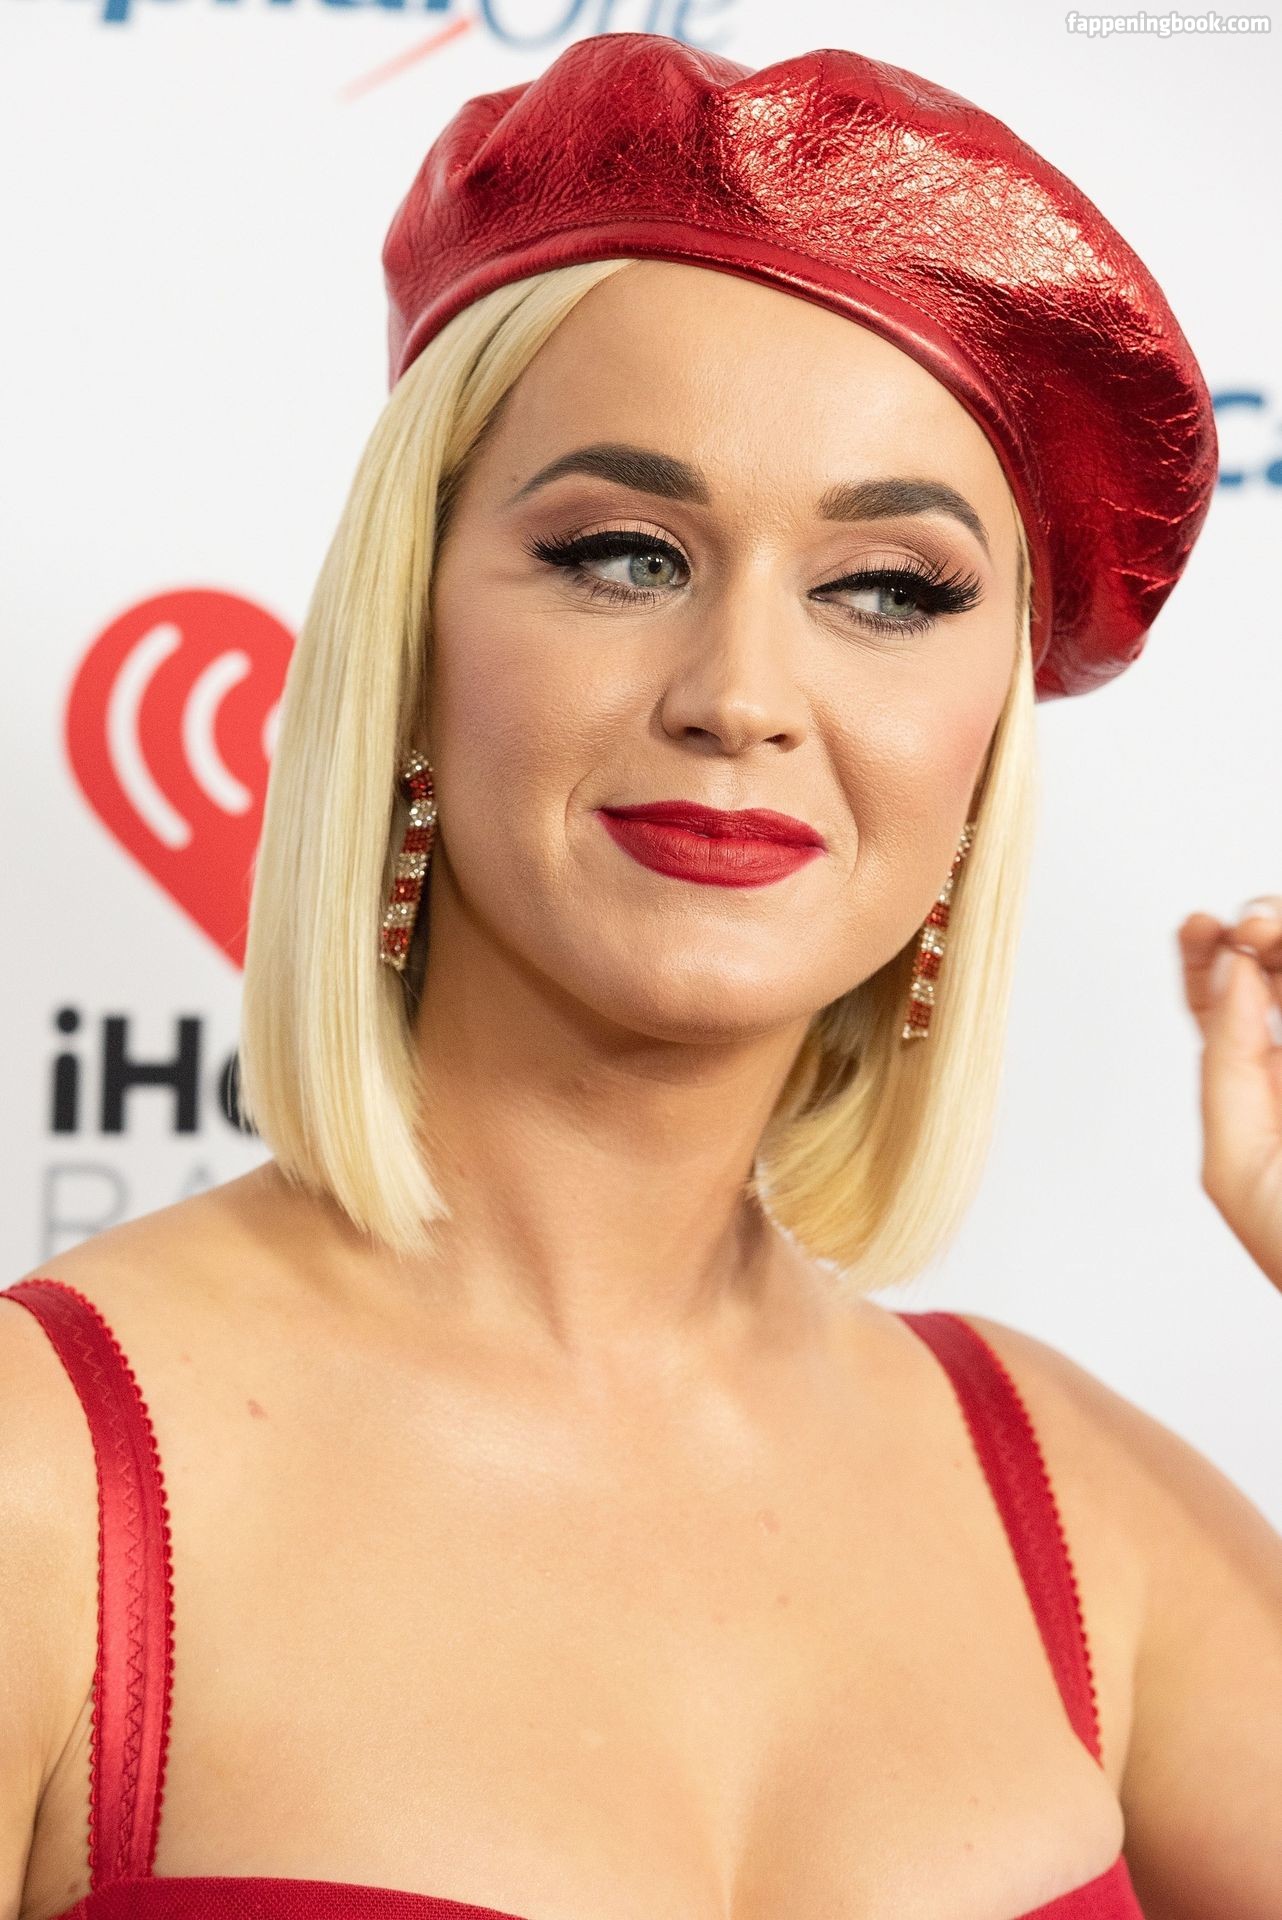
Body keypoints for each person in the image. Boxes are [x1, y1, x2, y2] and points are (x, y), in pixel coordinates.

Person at [4, 32, 1281, 1920]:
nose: (741, 695)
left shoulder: (1087, 1509)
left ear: (981, 749)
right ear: (410, 640)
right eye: (620, 555)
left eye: (887, 589)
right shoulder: (41, 1478)